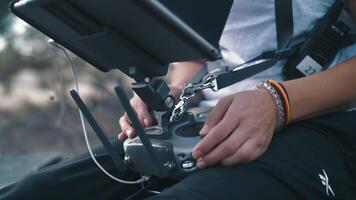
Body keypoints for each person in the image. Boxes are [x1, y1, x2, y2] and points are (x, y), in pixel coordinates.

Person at [1, 0, 356, 199]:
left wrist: (278, 102)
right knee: (36, 192)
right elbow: (202, 50)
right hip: (209, 119)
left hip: (319, 122)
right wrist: (173, 90)